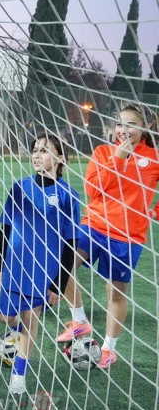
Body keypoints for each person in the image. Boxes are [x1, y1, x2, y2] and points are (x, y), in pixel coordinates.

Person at [56, 102, 159, 369]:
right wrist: (117, 159)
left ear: (145, 128)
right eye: (120, 124)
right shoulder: (103, 152)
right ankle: (79, 320)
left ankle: (108, 349)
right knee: (62, 263)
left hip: (128, 237)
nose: (124, 130)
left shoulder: (154, 158)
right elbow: (93, 190)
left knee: (115, 293)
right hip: (94, 226)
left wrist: (155, 211)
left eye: (132, 124)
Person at [0, 134, 81, 394]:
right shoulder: (19, 187)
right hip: (14, 265)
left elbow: (70, 244)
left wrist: (58, 284)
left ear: (60, 158)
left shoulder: (68, 195)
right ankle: (16, 334)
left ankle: (19, 375)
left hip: (44, 270)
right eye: (35, 150)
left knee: (32, 319)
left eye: (44, 151)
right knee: (6, 317)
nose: (37, 155)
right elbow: (5, 229)